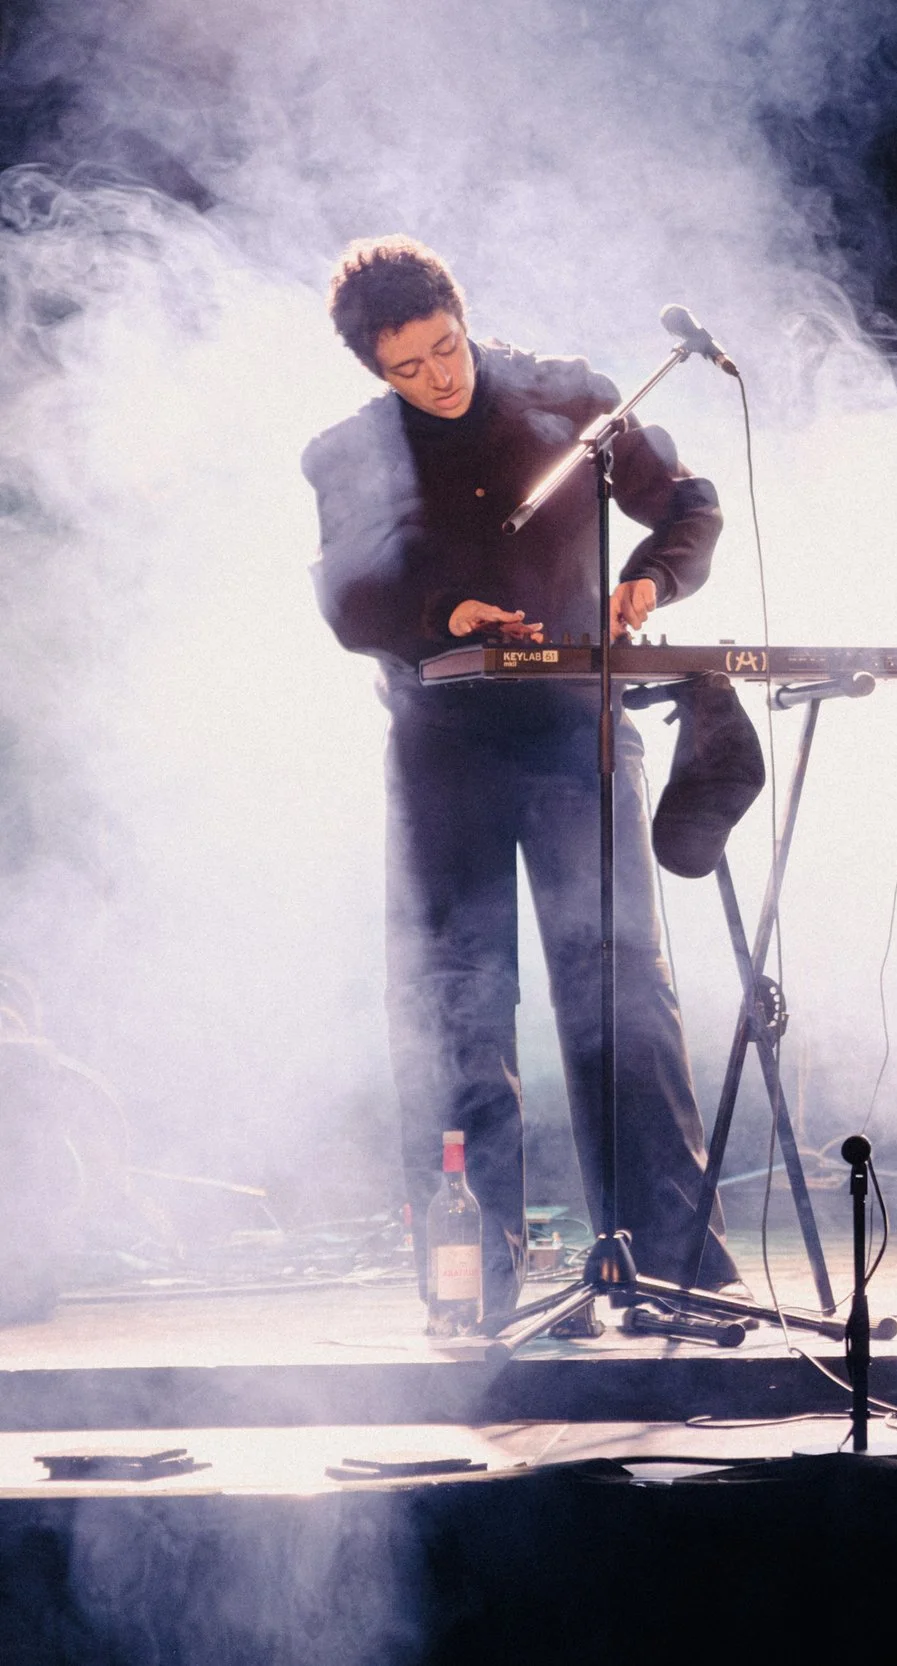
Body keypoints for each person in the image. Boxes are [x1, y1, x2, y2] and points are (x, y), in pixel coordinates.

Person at [302, 236, 738, 1324]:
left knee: (622, 994)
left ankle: (672, 1270)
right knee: (456, 1003)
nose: (438, 378)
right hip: (443, 755)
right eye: (408, 369)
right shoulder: (350, 452)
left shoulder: (572, 398)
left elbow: (690, 503)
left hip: (577, 739)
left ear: (463, 316)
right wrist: (442, 614)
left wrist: (649, 582)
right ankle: (475, 1282)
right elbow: (347, 599)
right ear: (375, 369)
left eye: (446, 349)